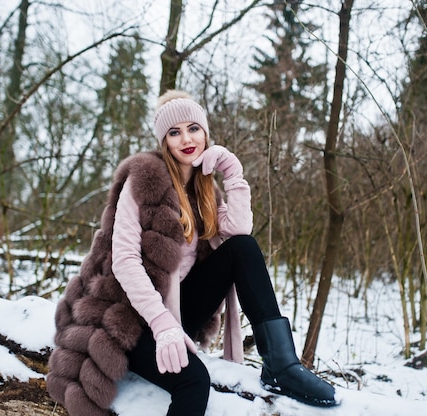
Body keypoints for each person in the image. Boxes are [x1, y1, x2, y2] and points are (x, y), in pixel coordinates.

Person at [46, 90, 337, 416]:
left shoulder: (204, 187)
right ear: (164, 141)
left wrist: (233, 174)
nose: (186, 138)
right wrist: (162, 325)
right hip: (129, 318)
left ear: (205, 132)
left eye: (193, 128)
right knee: (194, 380)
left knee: (243, 248)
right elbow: (125, 261)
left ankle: (281, 366)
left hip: (178, 308)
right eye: (174, 132)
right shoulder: (143, 180)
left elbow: (239, 232)